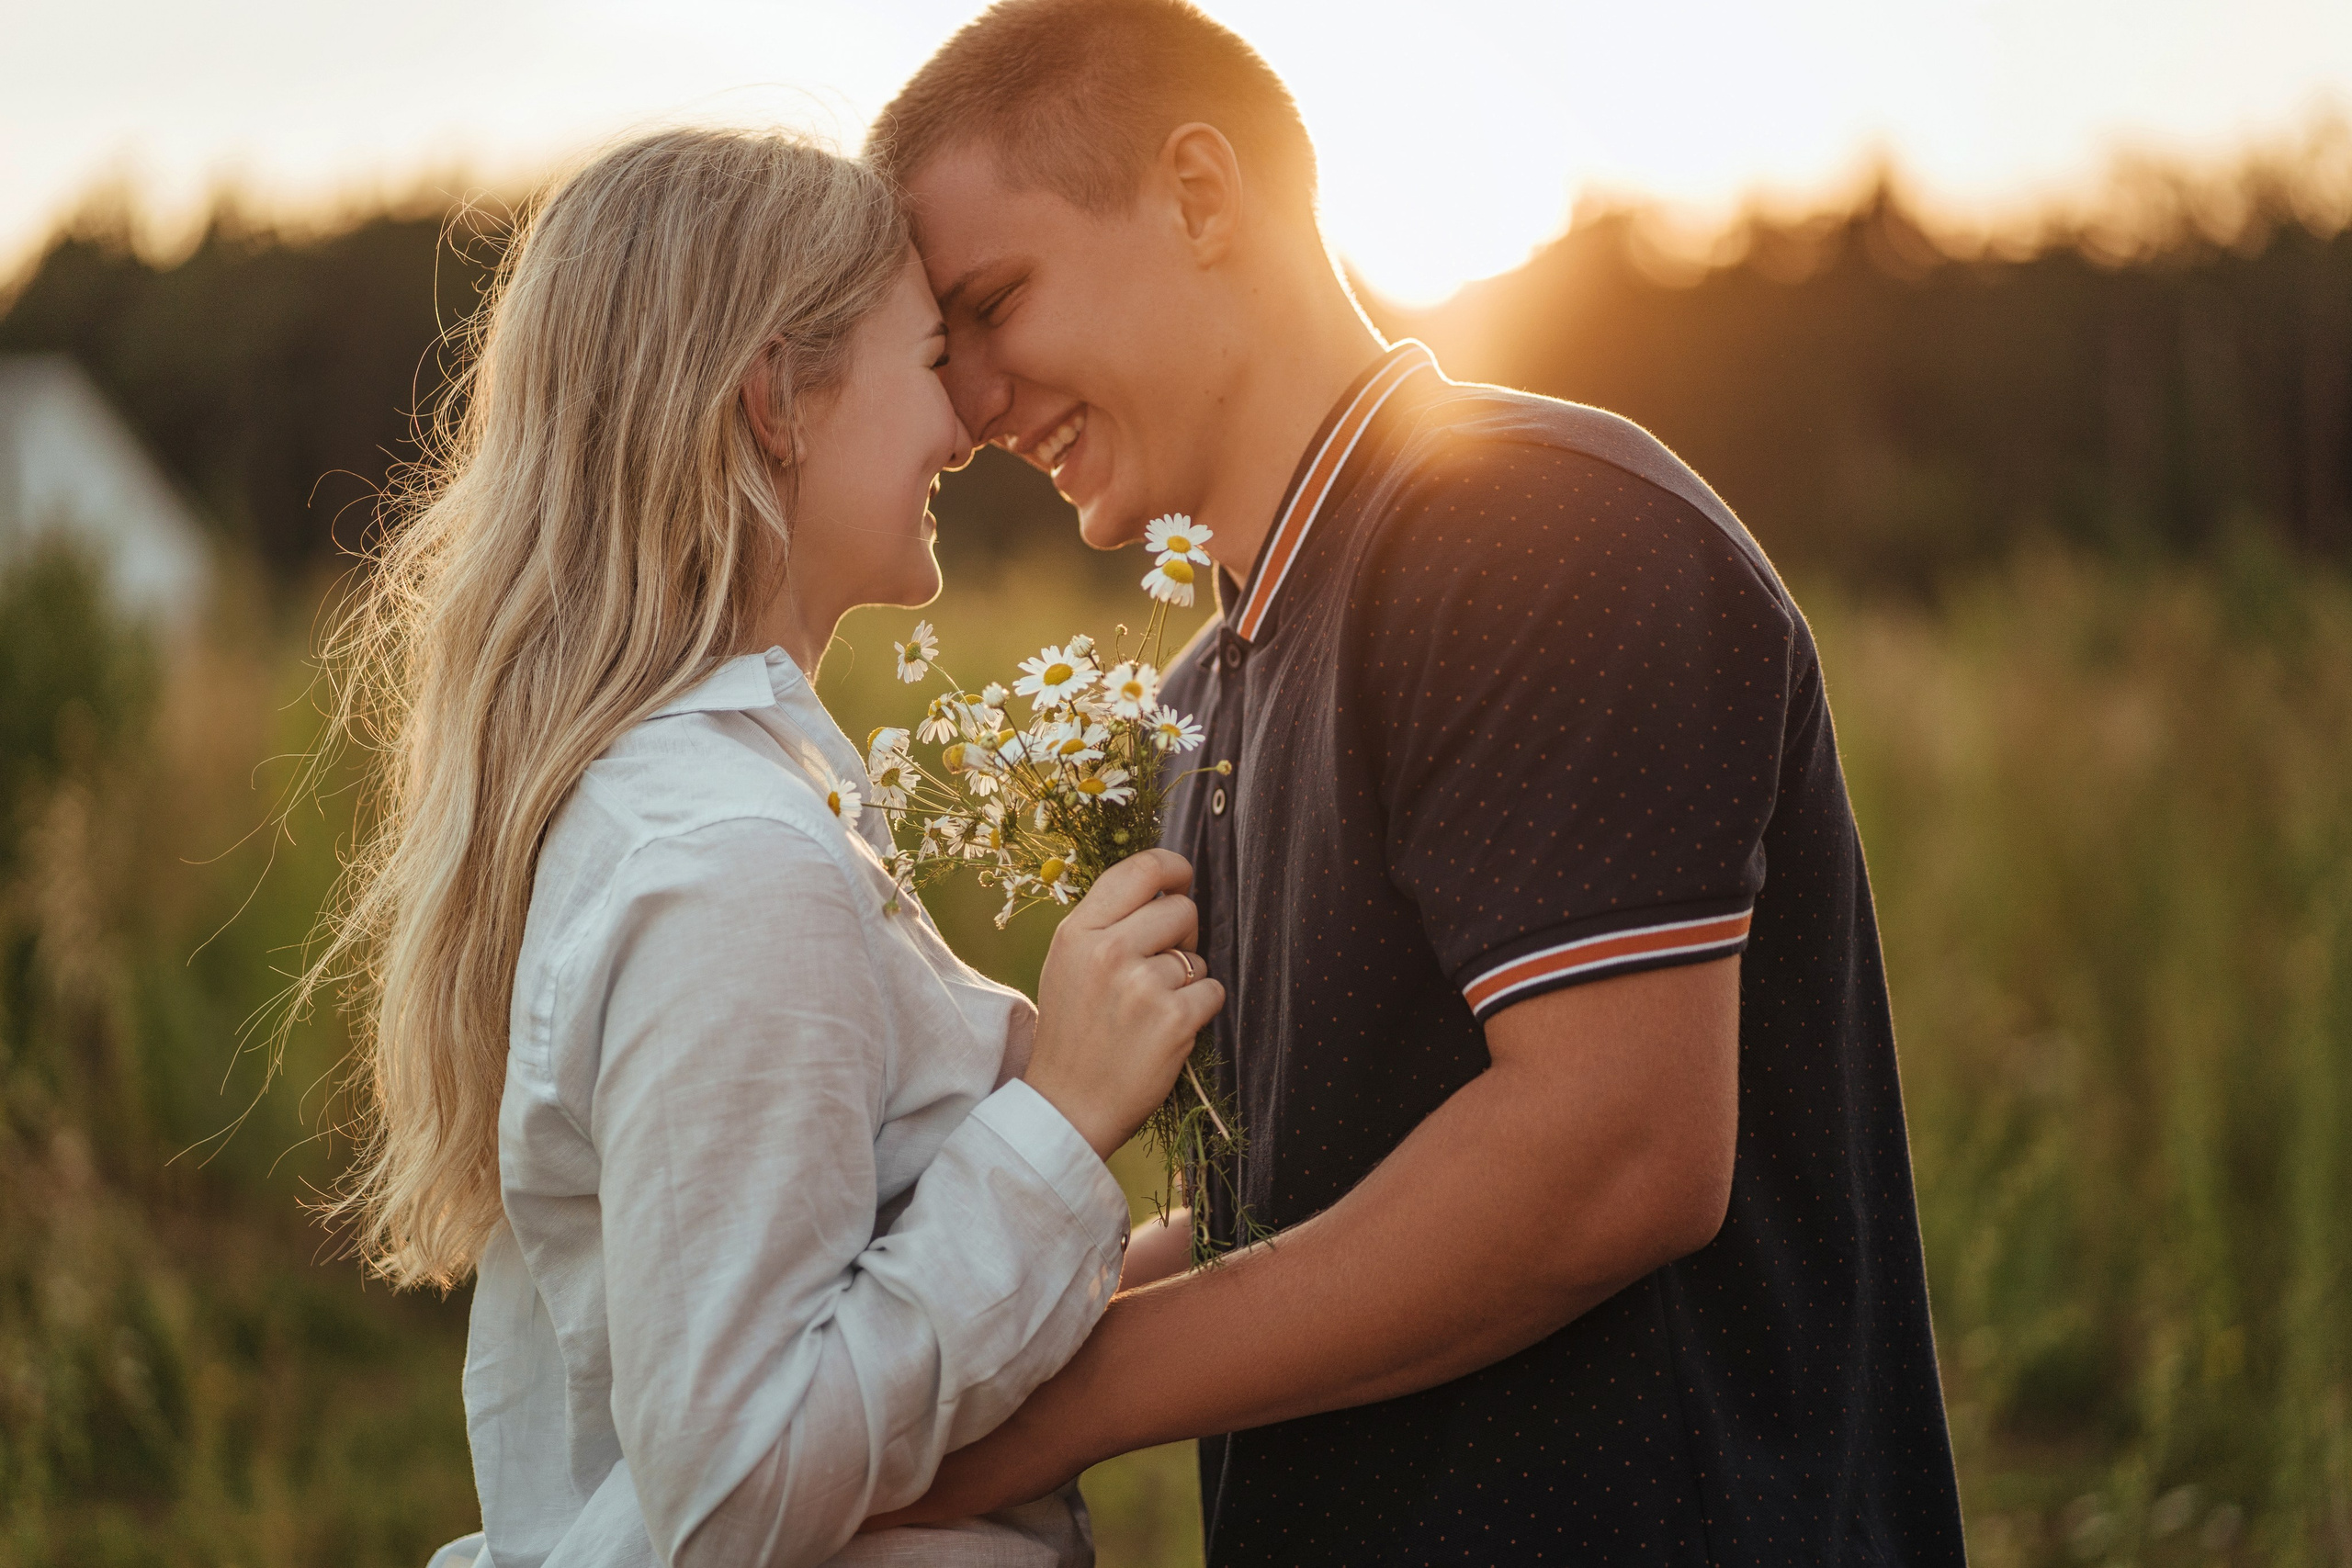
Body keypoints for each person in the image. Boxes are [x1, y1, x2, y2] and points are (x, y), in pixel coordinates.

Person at [865, 3, 1969, 1563]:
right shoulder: (1206, 698)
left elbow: (1614, 1152)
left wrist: (1055, 1410)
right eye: (938, 347)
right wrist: (898, 1360)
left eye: (992, 303)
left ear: (1198, 194)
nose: (971, 405)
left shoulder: (1528, 533)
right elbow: (1309, 1205)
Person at [296, 128, 1225, 1568]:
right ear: (778, 398)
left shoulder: (725, 797)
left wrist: (1213, 1248)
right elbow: (739, 1484)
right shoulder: (736, 862)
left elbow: (860, 1312)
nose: (968, 418)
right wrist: (1058, 1117)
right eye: (929, 359)